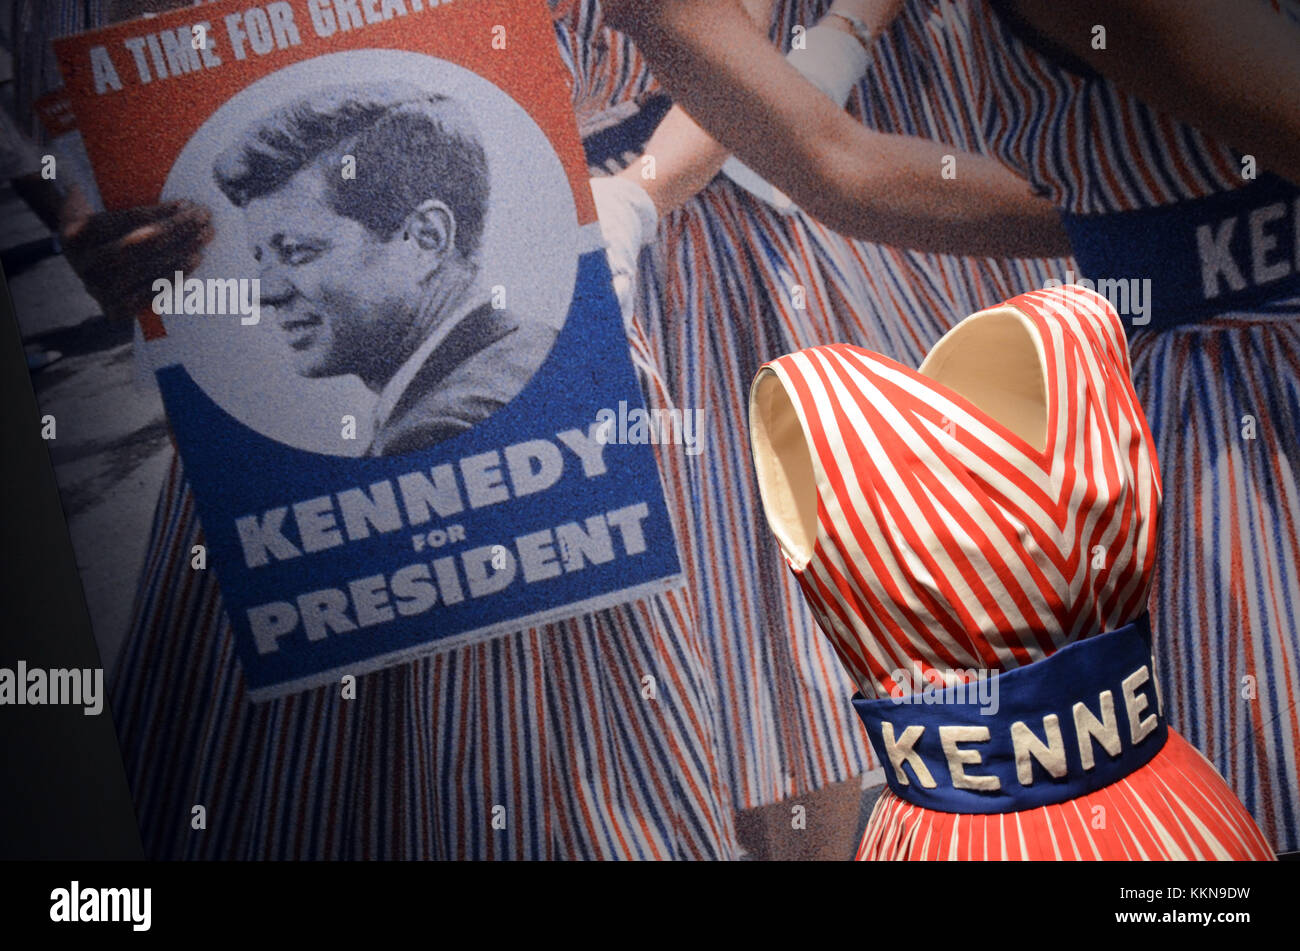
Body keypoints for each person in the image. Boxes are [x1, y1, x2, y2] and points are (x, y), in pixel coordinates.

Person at [606, 0, 1300, 853]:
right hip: (1214, 383)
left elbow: (838, 164)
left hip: (1207, 379)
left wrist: (1128, 235)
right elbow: (836, 164)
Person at [212, 86, 556, 455]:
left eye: (296, 251)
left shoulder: (434, 430)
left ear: (426, 239)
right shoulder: (534, 349)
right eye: (260, 258)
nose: (265, 293)